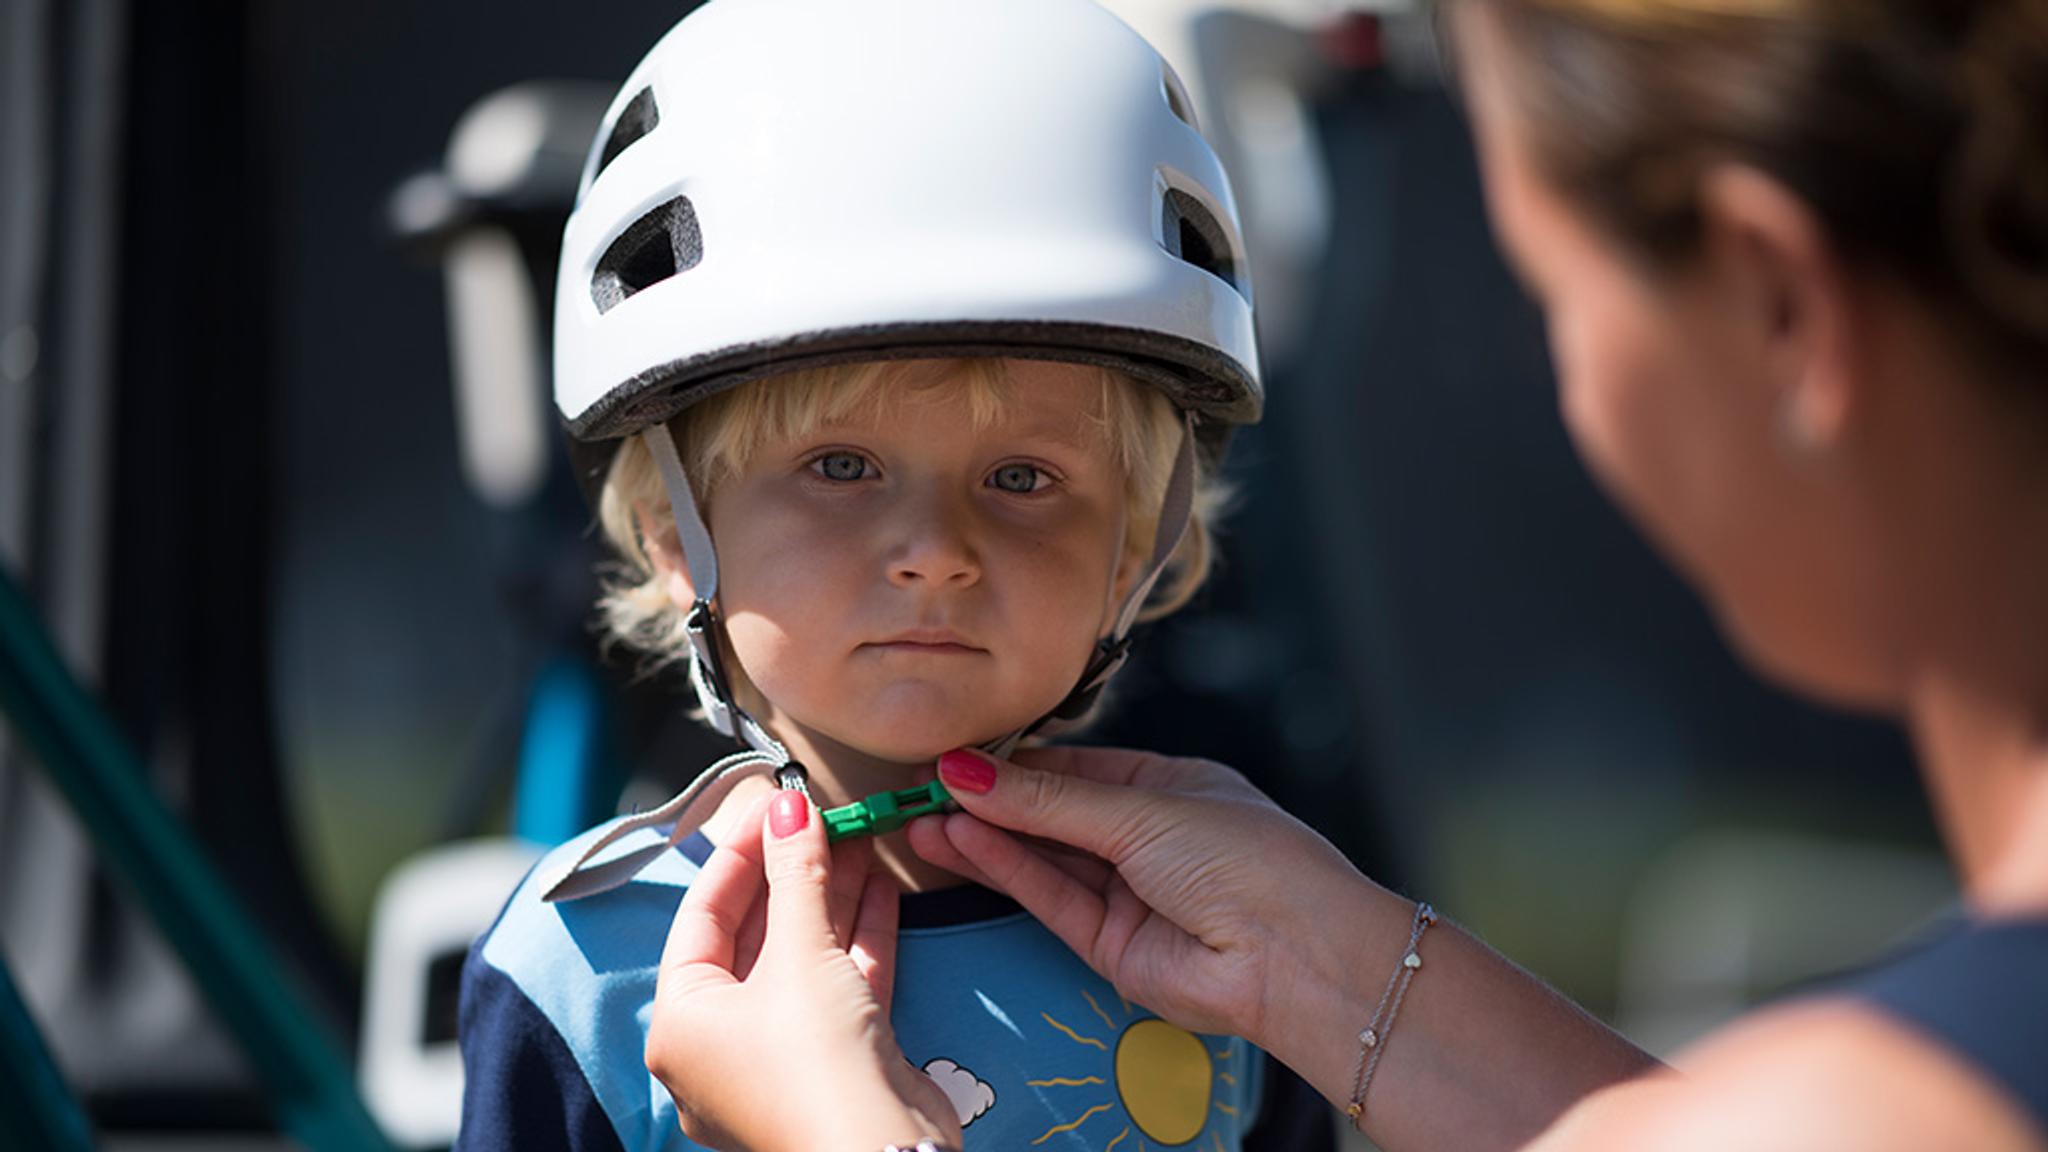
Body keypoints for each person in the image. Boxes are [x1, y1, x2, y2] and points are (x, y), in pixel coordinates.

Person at [643, 0, 2048, 1149]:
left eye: (1552, 295)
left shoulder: (1874, 1113)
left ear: (1779, 301)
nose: (934, 551)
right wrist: (1336, 970)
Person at [454, 1, 1336, 1150]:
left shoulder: (1223, 939)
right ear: (675, 534)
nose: (935, 550)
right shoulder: (583, 967)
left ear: (1132, 551)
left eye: (1022, 477)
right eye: (839, 465)